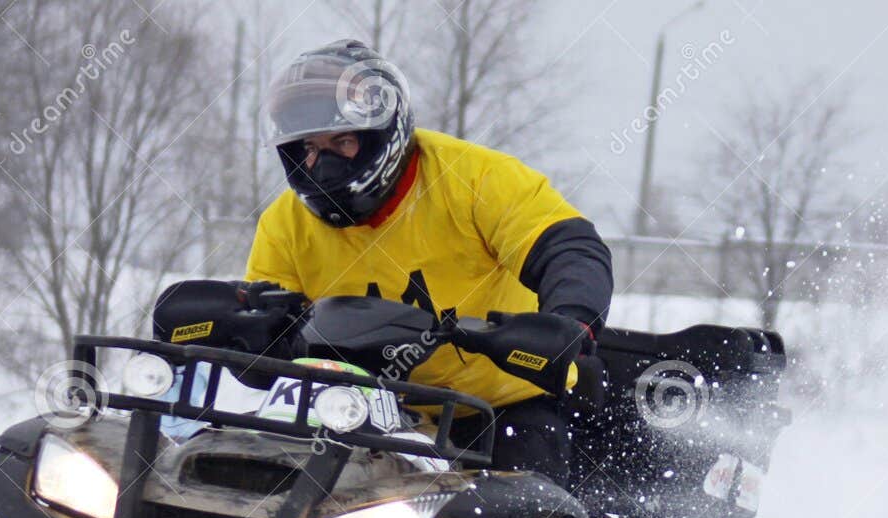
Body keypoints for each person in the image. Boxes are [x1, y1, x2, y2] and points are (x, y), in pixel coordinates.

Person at [244, 39, 613, 482]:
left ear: (383, 134)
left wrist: (571, 320)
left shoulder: (476, 178)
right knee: (259, 481)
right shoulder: (284, 223)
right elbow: (270, 320)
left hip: (499, 407)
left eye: (341, 141)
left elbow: (568, 248)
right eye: (308, 147)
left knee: (524, 515)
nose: (321, 164)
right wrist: (243, 331)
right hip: (358, 411)